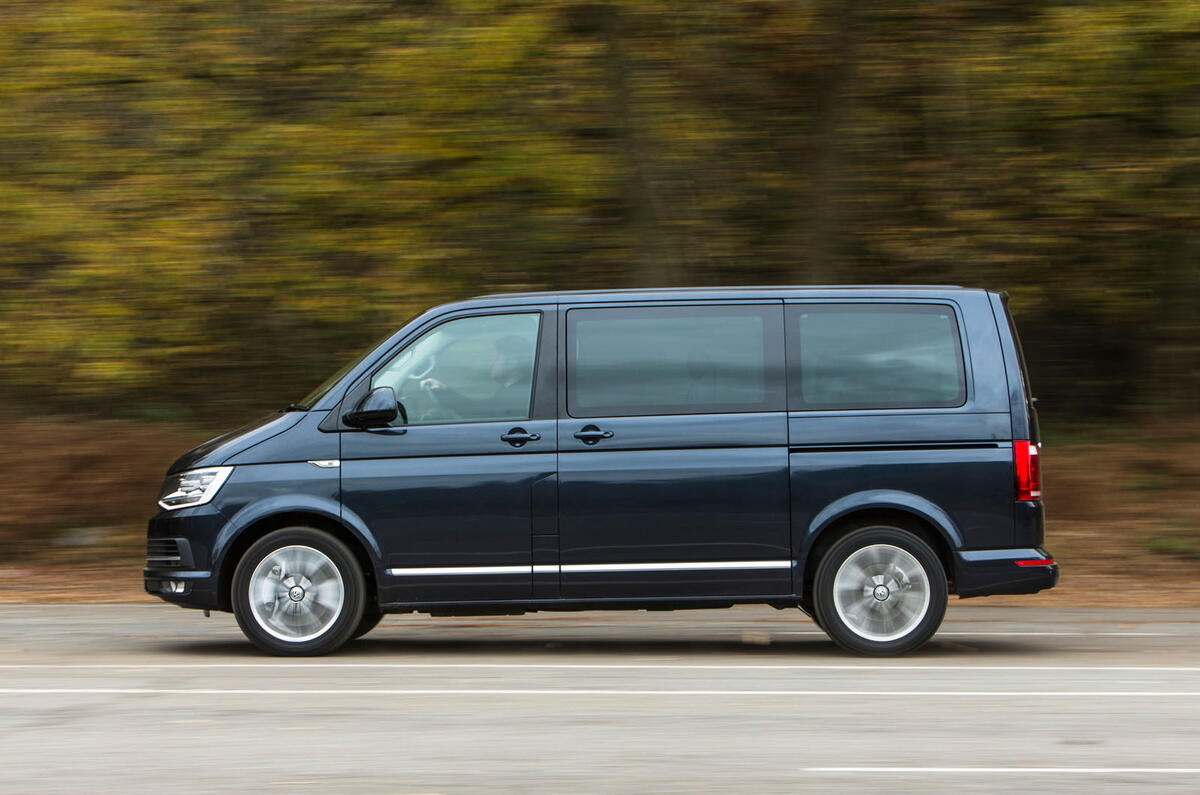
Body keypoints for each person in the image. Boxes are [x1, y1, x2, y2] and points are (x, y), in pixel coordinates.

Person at [418, 334, 534, 421]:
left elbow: (479, 412)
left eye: (497, 357)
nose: (493, 363)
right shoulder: (515, 391)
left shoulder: (515, 396)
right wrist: (444, 390)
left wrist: (445, 392)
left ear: (512, 362)